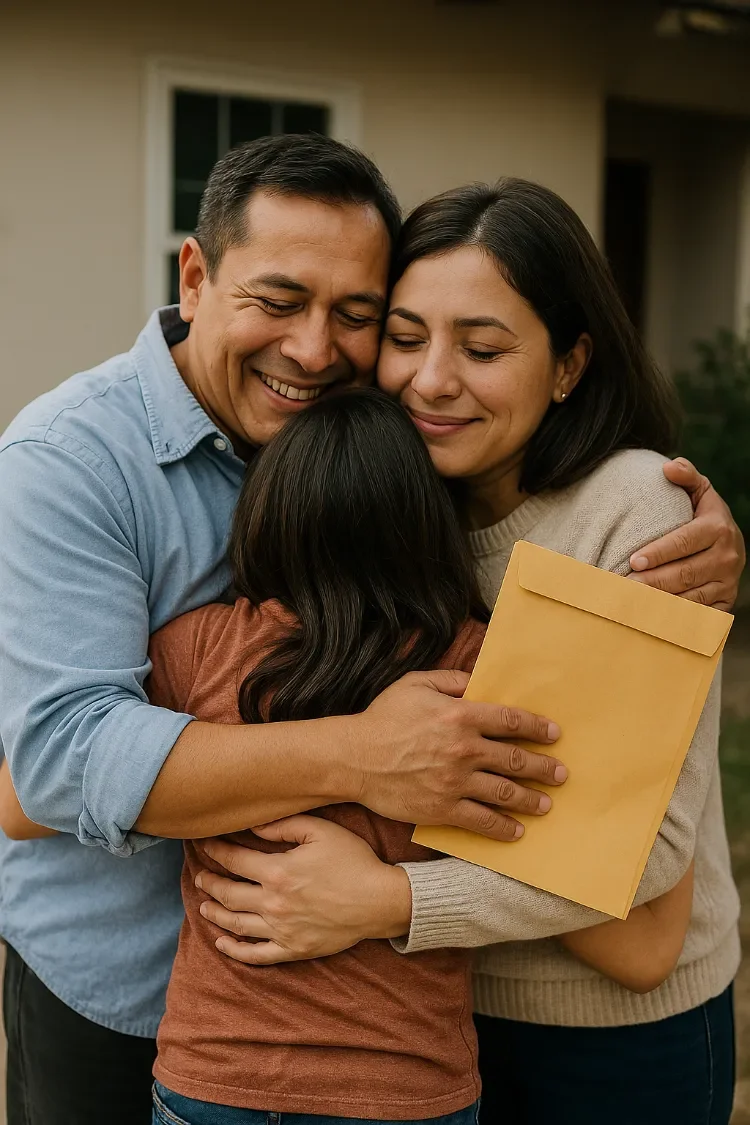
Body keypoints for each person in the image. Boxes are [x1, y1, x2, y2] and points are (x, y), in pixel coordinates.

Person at [0, 136, 742, 1123]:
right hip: (146, 1000)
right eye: (279, 300)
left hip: (474, 1021)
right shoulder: (81, 462)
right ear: (196, 274)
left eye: (356, 317)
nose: (316, 350)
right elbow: (43, 772)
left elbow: (642, 912)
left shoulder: (539, 498)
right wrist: (363, 759)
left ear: (569, 365)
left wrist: (394, 903)